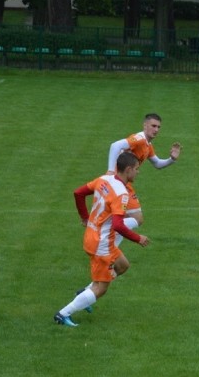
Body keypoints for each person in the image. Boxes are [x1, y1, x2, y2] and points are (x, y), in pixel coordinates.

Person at [54, 152, 151, 327]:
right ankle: (63, 314)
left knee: (123, 266)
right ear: (128, 170)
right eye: (137, 169)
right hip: (102, 244)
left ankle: (85, 293)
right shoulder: (122, 194)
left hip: (93, 235)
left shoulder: (104, 179)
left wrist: (85, 217)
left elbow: (78, 193)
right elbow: (118, 225)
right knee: (101, 288)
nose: (138, 172)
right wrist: (139, 239)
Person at [107, 113, 181, 246]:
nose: (156, 129)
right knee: (137, 219)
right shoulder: (139, 139)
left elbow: (157, 164)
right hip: (119, 183)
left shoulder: (148, 145)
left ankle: (111, 244)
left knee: (127, 218)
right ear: (145, 125)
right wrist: (111, 172)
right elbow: (115, 146)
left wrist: (172, 159)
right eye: (153, 126)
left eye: (158, 127)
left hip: (124, 183)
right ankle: (107, 230)